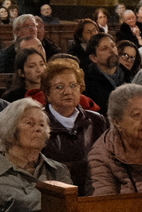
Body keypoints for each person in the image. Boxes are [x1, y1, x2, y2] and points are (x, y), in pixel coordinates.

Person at [37, 56, 105, 189]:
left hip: (95, 190)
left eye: (73, 85)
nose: (67, 92)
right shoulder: (39, 123)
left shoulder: (97, 121)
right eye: (59, 87)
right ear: (48, 94)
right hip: (55, 192)